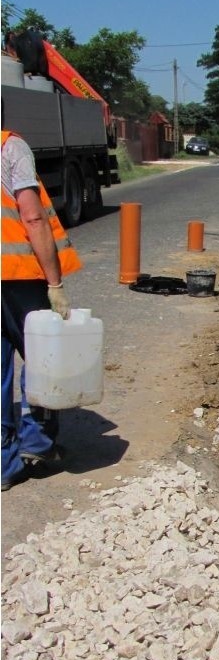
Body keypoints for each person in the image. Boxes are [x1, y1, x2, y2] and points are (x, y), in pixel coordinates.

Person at [1, 129, 82, 491]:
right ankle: (36, 445)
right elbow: (33, 218)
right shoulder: (10, 146)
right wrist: (54, 283)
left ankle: (4, 463)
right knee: (43, 357)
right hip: (16, 275)